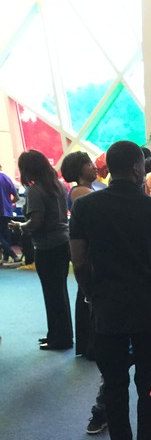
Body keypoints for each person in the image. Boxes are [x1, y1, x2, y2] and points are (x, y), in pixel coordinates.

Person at [69, 140, 151, 440]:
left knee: (113, 383)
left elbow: (79, 261)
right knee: (149, 385)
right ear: (137, 168)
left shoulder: (85, 207)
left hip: (107, 307)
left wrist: (91, 293)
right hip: (150, 308)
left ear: (109, 168)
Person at [10, 150, 73, 350]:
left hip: (46, 246)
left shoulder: (35, 191)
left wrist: (20, 226)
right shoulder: (58, 186)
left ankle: (58, 338)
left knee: (51, 294)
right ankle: (60, 334)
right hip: (62, 242)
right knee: (60, 292)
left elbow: (36, 222)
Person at [62, 151, 99, 359]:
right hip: (88, 247)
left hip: (88, 246)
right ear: (79, 169)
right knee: (88, 292)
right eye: (89, 163)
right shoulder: (81, 192)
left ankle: (88, 343)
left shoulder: (87, 189)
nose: (94, 166)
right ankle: (91, 344)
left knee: (86, 292)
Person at [1, 166, 22, 266]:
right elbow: (16, 197)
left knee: (1, 237)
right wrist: (8, 203)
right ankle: (5, 258)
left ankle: (13, 255)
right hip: (7, 211)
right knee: (6, 235)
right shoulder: (7, 178)